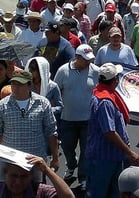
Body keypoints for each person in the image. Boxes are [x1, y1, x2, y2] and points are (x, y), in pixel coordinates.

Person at [86, 63, 139, 197]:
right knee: (100, 192)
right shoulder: (106, 102)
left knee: (114, 191)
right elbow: (109, 132)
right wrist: (129, 152)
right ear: (115, 80)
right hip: (105, 157)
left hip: (111, 155)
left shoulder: (101, 94)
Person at [53, 44, 99, 190]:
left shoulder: (96, 71)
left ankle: (83, 176)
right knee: (67, 148)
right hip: (67, 119)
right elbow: (55, 90)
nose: (88, 62)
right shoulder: (63, 71)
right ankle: (72, 165)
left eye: (90, 59)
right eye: (85, 59)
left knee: (86, 150)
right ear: (77, 58)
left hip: (88, 120)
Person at [0, 71, 59, 179]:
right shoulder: (2, 105)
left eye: (20, 84)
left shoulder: (43, 103)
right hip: (10, 163)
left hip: (35, 163)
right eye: (13, 83)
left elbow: (51, 132)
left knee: (37, 192)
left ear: (29, 85)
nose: (16, 87)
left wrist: (55, 158)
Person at [0, 155, 74, 198]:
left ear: (31, 176)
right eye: (14, 176)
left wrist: (47, 170)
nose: (18, 181)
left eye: (24, 176)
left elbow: (68, 197)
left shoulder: (40, 191)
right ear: (5, 174)